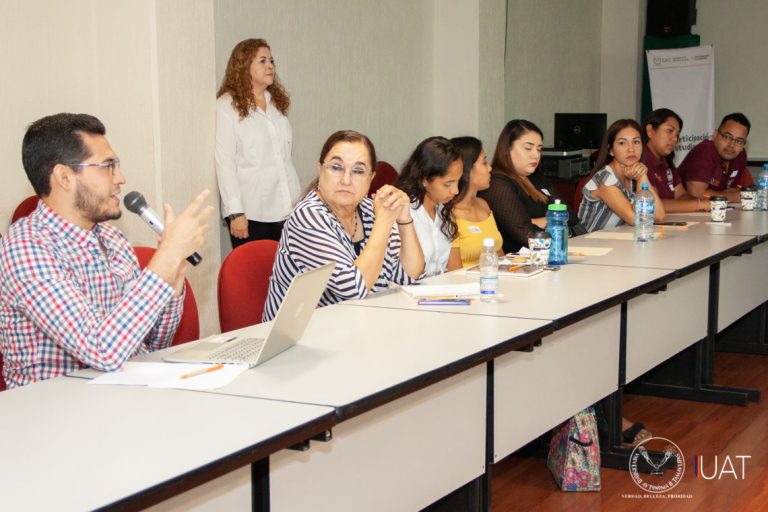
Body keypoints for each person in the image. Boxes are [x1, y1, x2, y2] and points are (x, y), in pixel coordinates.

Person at [0, 113, 213, 389]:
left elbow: (152, 344)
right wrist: (166, 257)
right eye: (108, 166)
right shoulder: (25, 248)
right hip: (56, 416)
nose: (120, 178)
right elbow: (103, 350)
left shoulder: (112, 239)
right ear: (64, 176)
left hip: (121, 398)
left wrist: (172, 280)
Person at [262, 130, 424, 321]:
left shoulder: (370, 210)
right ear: (320, 170)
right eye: (336, 167)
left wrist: (404, 220)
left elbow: (410, 276)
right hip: (304, 337)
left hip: (356, 327)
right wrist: (384, 223)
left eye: (358, 171)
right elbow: (354, 288)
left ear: (371, 178)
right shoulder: (308, 216)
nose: (346, 180)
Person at [215, 38, 300, 248]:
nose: (270, 66)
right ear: (244, 66)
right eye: (262, 61)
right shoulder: (227, 107)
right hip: (251, 211)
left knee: (287, 274)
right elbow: (224, 161)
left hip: (286, 207)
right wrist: (235, 212)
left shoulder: (276, 104)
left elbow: (284, 159)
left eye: (271, 61)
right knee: (256, 275)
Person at [480, 119, 582, 253]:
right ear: (507, 148)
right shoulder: (498, 184)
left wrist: (533, 222)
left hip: (549, 253)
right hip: (520, 261)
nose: (536, 155)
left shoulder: (537, 178)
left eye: (539, 149)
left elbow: (572, 216)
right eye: (528, 148)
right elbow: (525, 234)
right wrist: (554, 222)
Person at [579, 119, 666, 232]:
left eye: (636, 142)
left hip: (618, 243)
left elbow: (659, 215)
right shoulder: (605, 180)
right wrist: (640, 178)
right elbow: (638, 219)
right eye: (622, 143)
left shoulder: (632, 175)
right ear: (611, 150)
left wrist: (642, 177)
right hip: (591, 246)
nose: (631, 149)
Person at [395, 137, 462, 276]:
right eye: (447, 184)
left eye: (458, 181)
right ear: (424, 179)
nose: (456, 191)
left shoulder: (443, 211)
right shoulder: (403, 212)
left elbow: (453, 269)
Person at [448, 137, 504, 269]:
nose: (490, 168)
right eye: (484, 163)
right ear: (466, 169)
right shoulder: (448, 213)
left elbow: (500, 257)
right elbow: (453, 274)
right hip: (466, 286)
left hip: (495, 281)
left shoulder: (483, 205)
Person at [642, 108, 708, 213]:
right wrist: (699, 204)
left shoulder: (665, 161)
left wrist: (704, 202)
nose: (675, 139)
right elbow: (653, 204)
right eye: (670, 131)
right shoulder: (643, 160)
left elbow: (681, 195)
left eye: (677, 134)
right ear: (650, 130)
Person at [678, 113, 753, 203]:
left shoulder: (740, 156)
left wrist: (728, 194)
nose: (732, 145)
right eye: (727, 137)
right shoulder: (704, 151)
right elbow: (696, 195)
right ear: (715, 135)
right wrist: (733, 197)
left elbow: (735, 189)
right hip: (681, 212)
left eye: (739, 141)